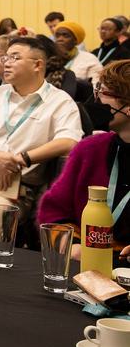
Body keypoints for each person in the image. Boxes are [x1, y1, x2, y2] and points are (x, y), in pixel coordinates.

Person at [0, 36, 83, 242]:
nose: (7, 62)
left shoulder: (59, 102)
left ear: (38, 64)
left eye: (15, 57)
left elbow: (69, 141)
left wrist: (22, 159)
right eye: (6, 57)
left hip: (11, 184)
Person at [38, 59, 130, 258]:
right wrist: (71, 244)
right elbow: (53, 211)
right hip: (85, 259)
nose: (94, 102)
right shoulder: (90, 149)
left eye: (103, 94)